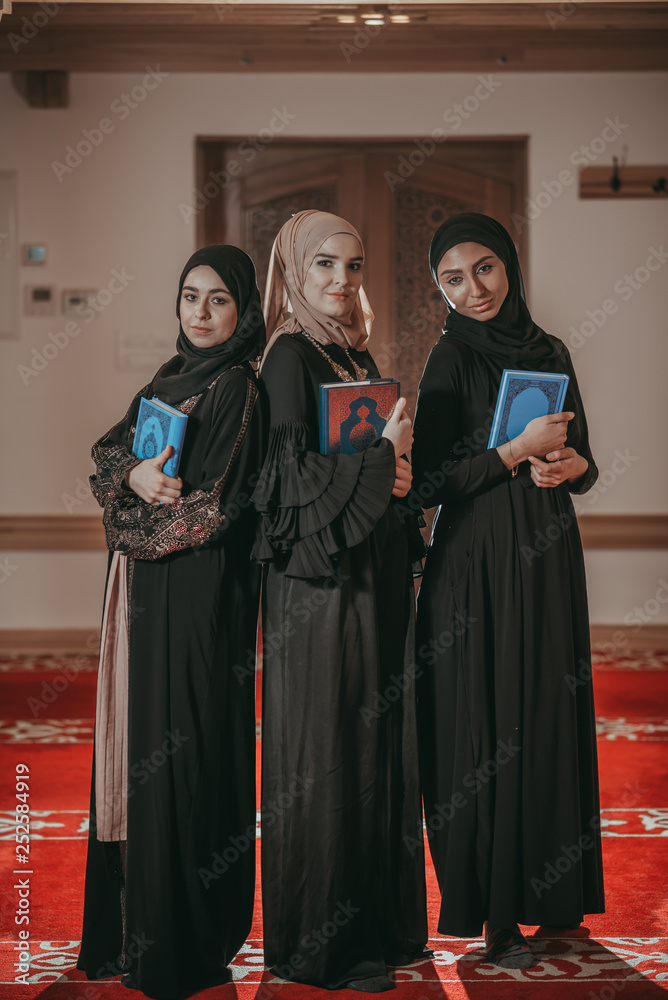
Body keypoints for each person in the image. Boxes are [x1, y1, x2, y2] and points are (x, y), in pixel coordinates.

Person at [412, 213, 605, 969]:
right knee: (491, 720)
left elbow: (586, 452)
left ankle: (555, 896)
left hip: (549, 555)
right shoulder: (448, 359)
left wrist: (570, 469)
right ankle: (496, 917)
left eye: (484, 269)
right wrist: (512, 453)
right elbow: (428, 483)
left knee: (547, 709)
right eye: (452, 278)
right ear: (440, 289)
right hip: (476, 564)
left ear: (510, 267)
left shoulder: (549, 350)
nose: (474, 288)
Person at [77, 245, 265, 999]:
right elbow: (103, 453)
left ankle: (185, 940)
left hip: (198, 599)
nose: (200, 311)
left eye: (218, 299)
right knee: (139, 747)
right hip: (140, 592)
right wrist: (132, 477)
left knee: (185, 752)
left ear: (243, 308)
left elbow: (212, 512)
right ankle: (134, 929)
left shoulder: (238, 389)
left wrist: (124, 515)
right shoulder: (166, 379)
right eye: (190, 296)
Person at [252, 210, 429, 992]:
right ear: (292, 270)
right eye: (323, 264)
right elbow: (287, 482)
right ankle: (326, 946)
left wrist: (392, 470)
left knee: (375, 749)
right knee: (328, 754)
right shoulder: (289, 355)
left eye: (353, 266)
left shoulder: (352, 350)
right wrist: (381, 462)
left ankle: (381, 927)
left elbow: (363, 463)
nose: (341, 280)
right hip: (319, 586)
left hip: (371, 574)